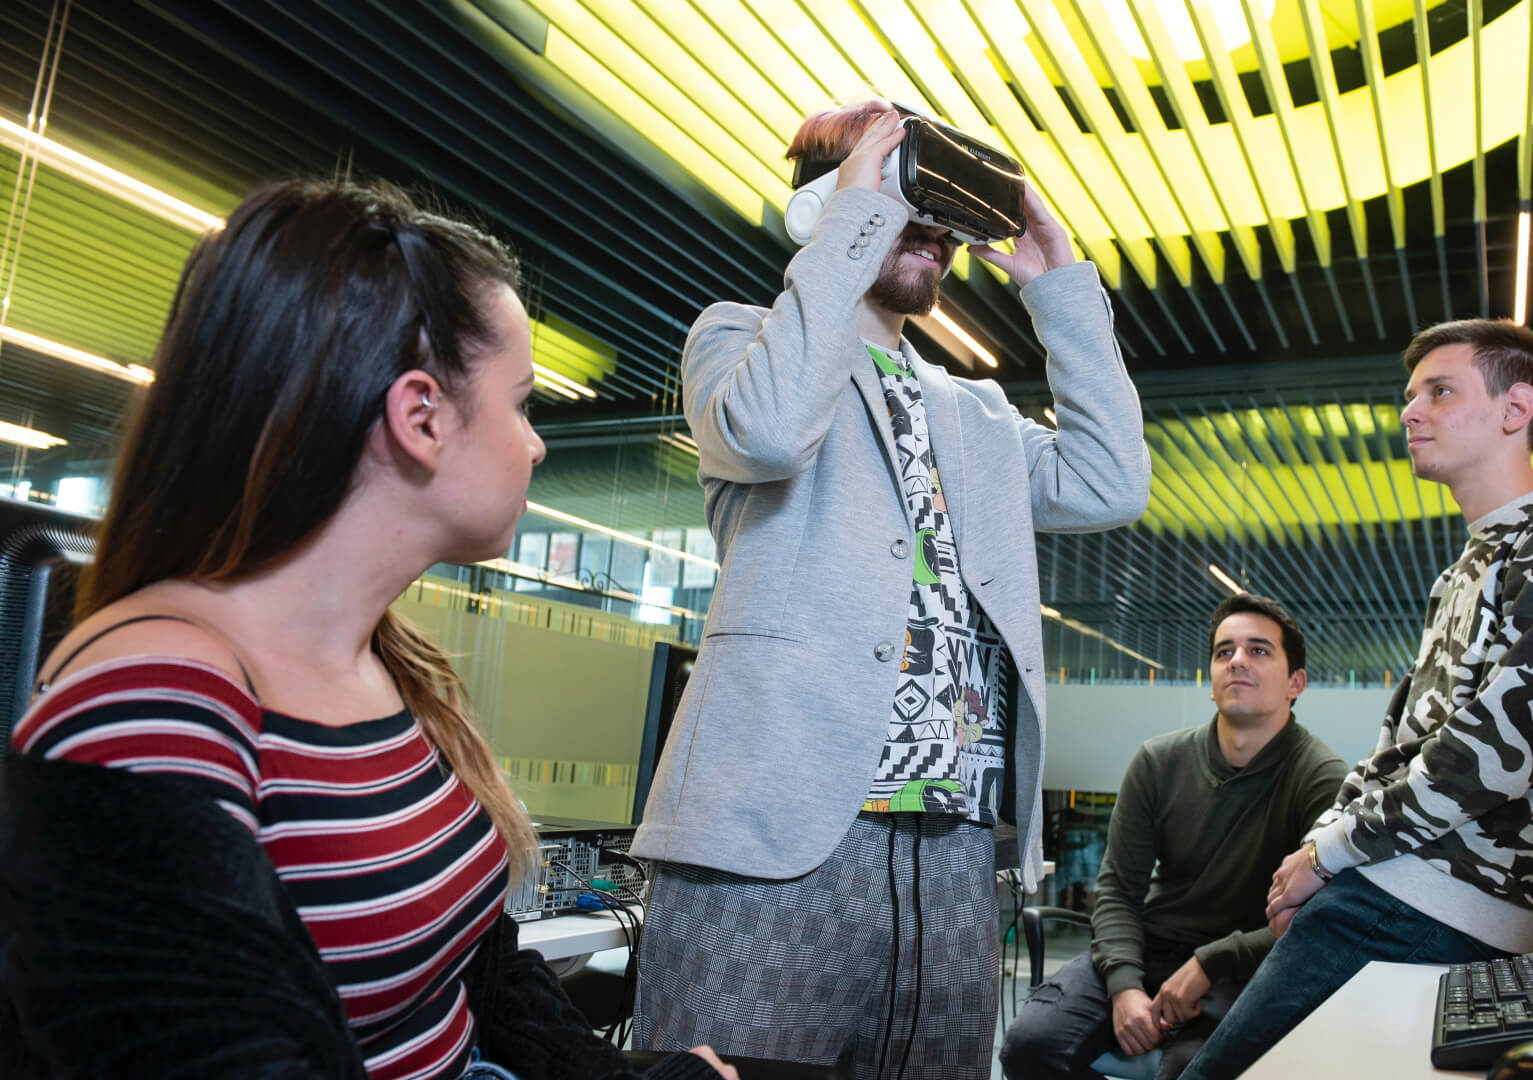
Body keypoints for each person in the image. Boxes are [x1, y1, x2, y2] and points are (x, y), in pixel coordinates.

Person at [0, 179, 735, 1080]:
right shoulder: (151, 705)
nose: (536, 444)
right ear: (421, 417)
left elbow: (483, 967)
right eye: (522, 404)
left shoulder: (388, 658)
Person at [632, 99, 1151, 1077]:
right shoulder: (737, 343)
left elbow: (1110, 481)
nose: (936, 234)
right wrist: (855, 222)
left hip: (949, 849)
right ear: (829, 209)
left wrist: (1060, 289)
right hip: (774, 838)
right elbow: (771, 433)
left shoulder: (975, 414)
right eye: (904, 201)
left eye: (942, 221)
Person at [1178, 319, 1533, 1080]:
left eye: (1438, 391)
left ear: (1515, 408)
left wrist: (1327, 853)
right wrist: (1322, 852)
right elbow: (1403, 738)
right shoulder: (1470, 564)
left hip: (1425, 901)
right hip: (1389, 886)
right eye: (1409, 396)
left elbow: (1488, 759)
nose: (1409, 412)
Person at [999, 594, 1346, 1080]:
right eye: (1224, 652)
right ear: (1211, 681)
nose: (1237, 661)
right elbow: (1119, 891)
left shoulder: (1322, 778)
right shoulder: (1159, 762)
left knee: (1191, 1069)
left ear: (1296, 683)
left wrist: (1213, 961)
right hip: (1152, 947)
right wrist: (1124, 986)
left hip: (1246, 966)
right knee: (1029, 1046)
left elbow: (1322, 920)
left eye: (1259, 650)